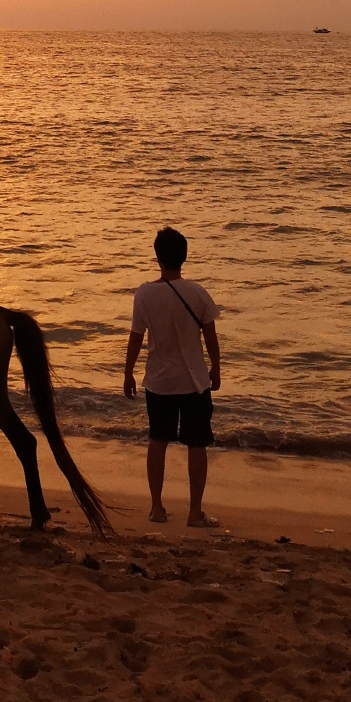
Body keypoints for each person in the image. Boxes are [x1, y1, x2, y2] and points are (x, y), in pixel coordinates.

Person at [123, 226, 222, 527]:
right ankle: (194, 512)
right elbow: (211, 338)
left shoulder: (144, 294)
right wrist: (215, 368)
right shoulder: (198, 293)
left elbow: (136, 337)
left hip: (159, 380)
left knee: (158, 440)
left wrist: (128, 373)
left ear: (157, 258)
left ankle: (156, 508)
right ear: (184, 257)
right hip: (193, 381)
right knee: (196, 444)